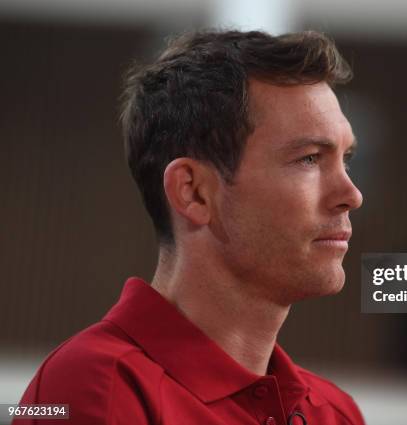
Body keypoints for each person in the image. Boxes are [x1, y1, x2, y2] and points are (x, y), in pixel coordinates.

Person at [14, 29, 364, 425]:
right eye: (310, 159)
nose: (351, 194)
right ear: (193, 192)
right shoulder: (93, 386)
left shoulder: (336, 413)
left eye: (346, 159)